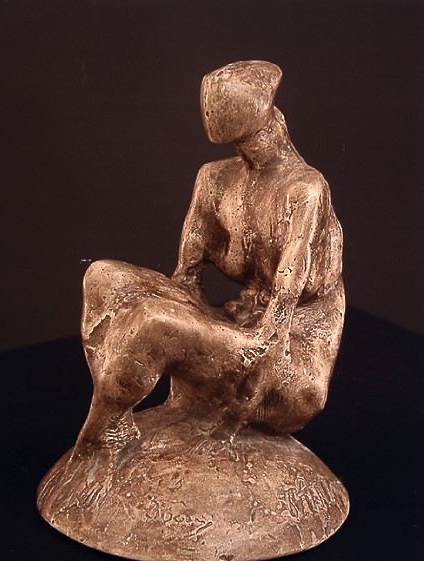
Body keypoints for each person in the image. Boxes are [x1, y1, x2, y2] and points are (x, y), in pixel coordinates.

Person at [74, 60, 345, 455]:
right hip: (236, 329)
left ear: (274, 125)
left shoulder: (305, 190)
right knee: (102, 277)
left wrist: (187, 332)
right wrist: (192, 326)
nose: (253, 147)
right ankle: (115, 410)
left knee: (152, 322)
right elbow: (185, 279)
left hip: (288, 360)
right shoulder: (215, 179)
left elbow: (281, 309)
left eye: (256, 137)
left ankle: (100, 432)